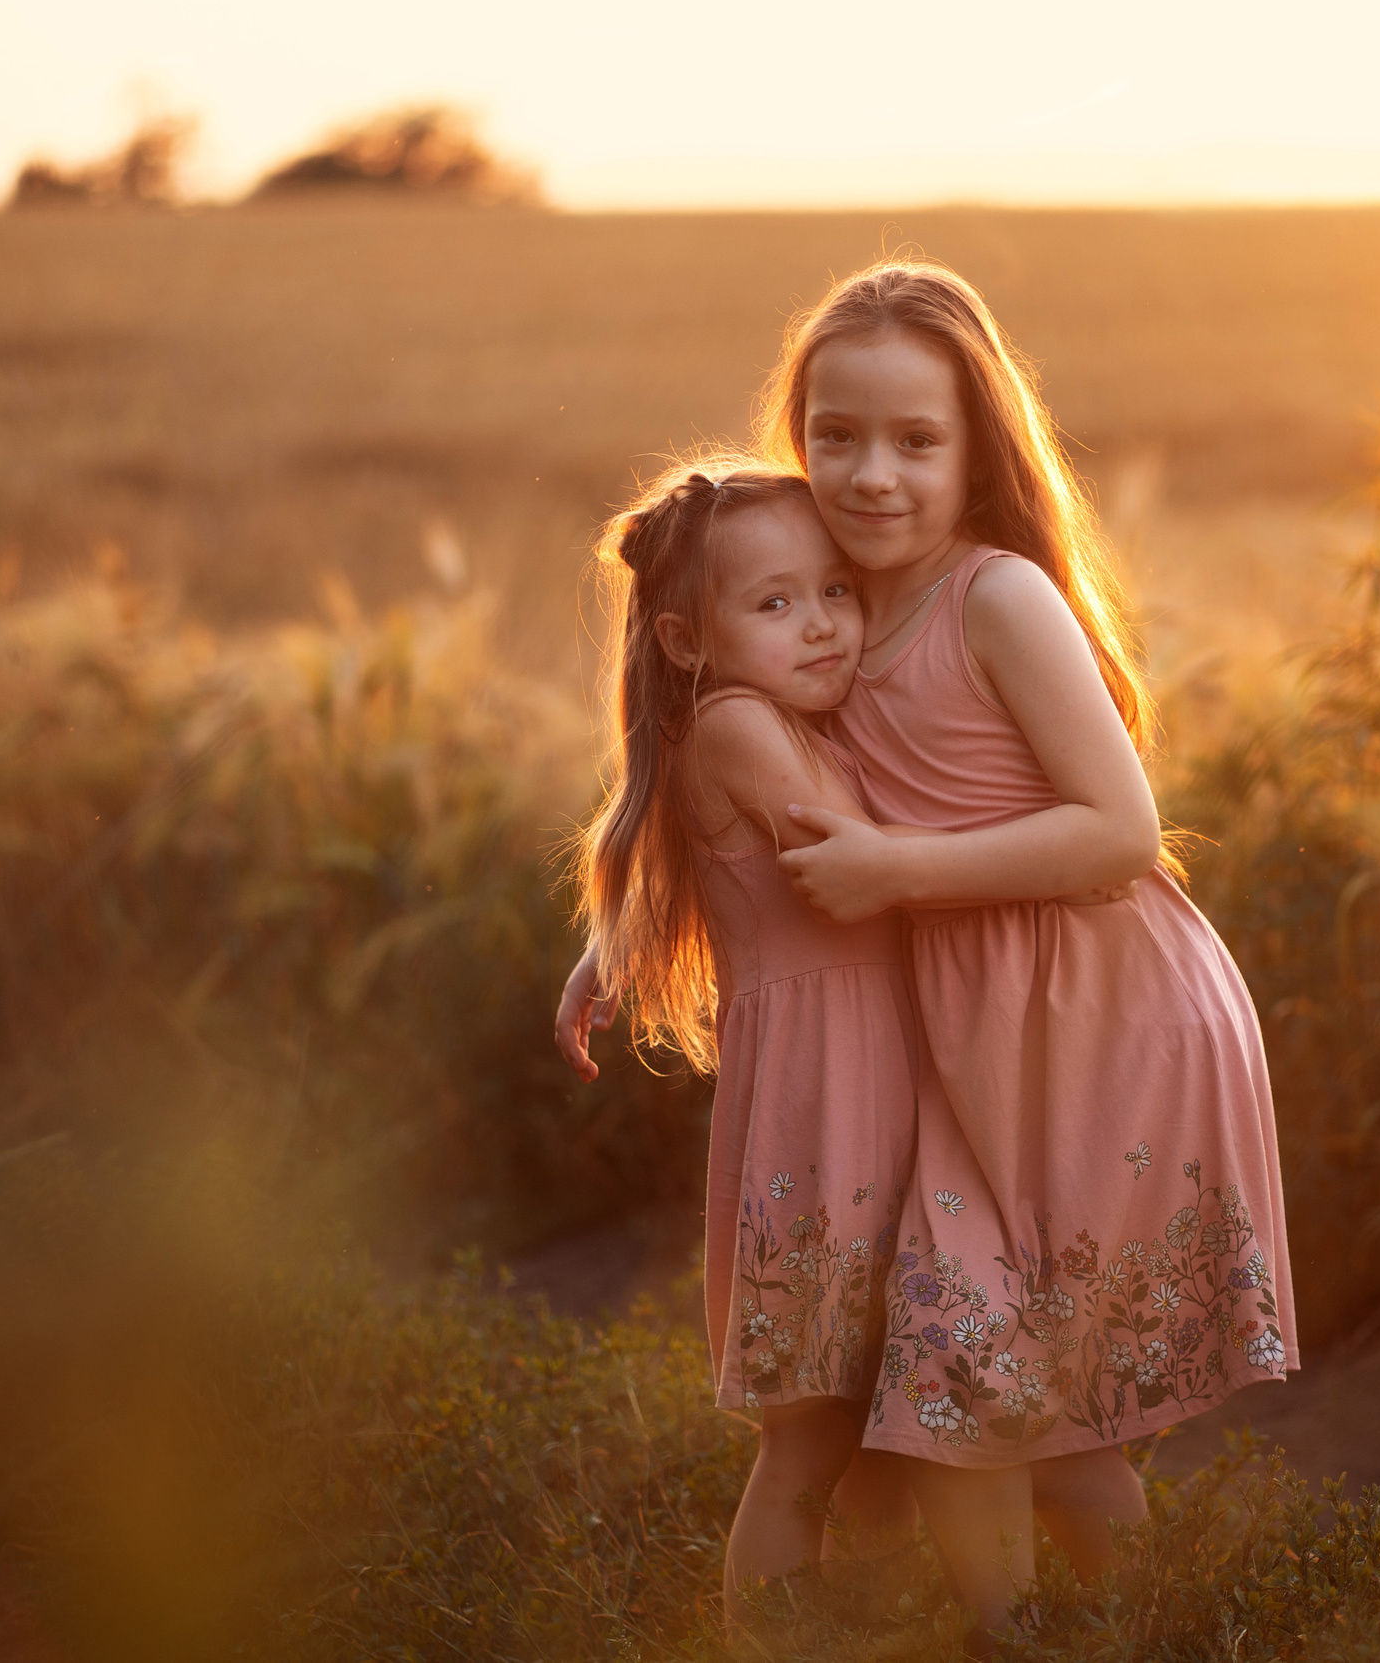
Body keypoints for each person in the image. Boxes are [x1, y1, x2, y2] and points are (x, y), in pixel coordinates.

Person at [764, 261, 1299, 1644]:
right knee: (997, 1389)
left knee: (1011, 1396)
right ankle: (1075, 1634)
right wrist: (630, 942)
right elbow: (744, 802)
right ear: (798, 435)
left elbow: (1120, 827)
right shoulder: (812, 615)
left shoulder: (993, 597)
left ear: (977, 449)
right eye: (836, 435)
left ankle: (1121, 1631)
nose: (870, 472)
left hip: (1099, 1011)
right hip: (971, 1024)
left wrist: (900, 871)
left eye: (916, 440)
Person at [551, 464, 921, 1624]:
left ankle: (870, 1634)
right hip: (830, 1104)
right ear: (686, 637)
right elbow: (878, 855)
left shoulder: (775, 716)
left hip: (875, 1088)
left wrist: (604, 957)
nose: (820, 625)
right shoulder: (740, 723)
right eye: (774, 604)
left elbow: (693, 881)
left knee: (879, 1432)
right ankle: (768, 1641)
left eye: (837, 591)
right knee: (813, 1439)